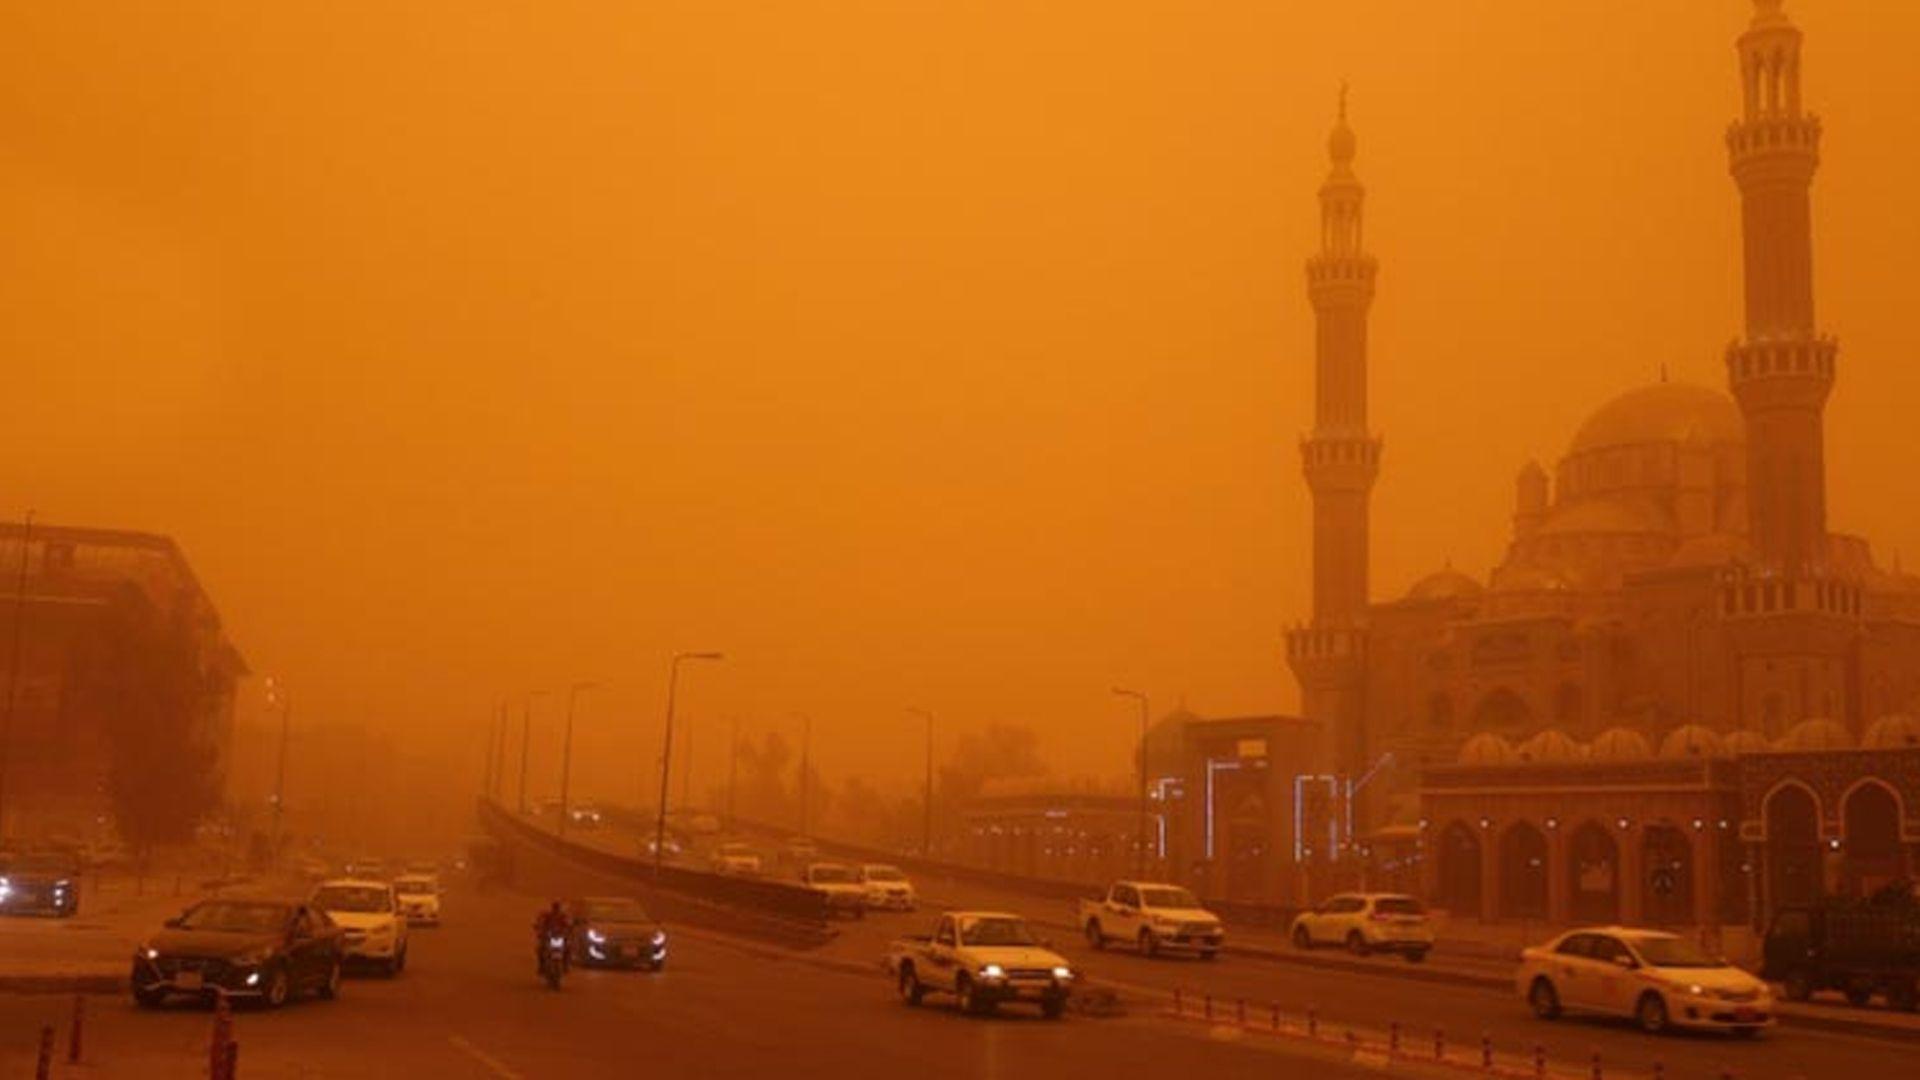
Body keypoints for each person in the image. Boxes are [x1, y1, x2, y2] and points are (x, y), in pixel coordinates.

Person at [533, 900, 572, 974]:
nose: (556, 910)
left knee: (568, 949)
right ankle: (541, 966)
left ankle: (566, 966)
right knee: (540, 950)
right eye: (555, 908)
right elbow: (540, 922)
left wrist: (568, 931)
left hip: (560, 937)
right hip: (548, 937)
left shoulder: (563, 916)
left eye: (557, 908)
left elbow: (568, 925)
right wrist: (539, 929)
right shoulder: (547, 915)